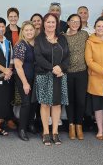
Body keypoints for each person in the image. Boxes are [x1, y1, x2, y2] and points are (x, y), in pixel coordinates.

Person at [34, 13, 69, 146]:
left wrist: (60, 68)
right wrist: (52, 68)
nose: (50, 24)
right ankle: (45, 132)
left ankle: (55, 132)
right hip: (44, 75)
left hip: (60, 75)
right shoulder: (39, 39)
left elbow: (67, 56)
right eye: (48, 22)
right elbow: (39, 57)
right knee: (45, 104)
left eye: (53, 22)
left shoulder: (62, 38)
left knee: (57, 104)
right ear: (44, 24)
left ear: (57, 24)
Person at [64, 14, 89, 140]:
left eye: (77, 21)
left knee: (80, 100)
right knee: (70, 101)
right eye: (72, 21)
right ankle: (71, 125)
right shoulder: (62, 37)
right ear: (68, 22)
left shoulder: (84, 35)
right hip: (67, 73)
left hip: (82, 72)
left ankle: (79, 125)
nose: (75, 23)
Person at [14, 21, 37, 141]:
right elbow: (18, 66)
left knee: (33, 103)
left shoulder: (36, 43)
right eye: (26, 30)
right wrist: (25, 83)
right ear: (22, 32)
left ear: (35, 31)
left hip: (35, 77)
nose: (29, 32)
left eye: (31, 30)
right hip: (23, 78)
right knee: (26, 103)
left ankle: (30, 124)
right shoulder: (21, 45)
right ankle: (22, 129)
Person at [4, 7, 21, 130]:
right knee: (8, 94)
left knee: (18, 93)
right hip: (8, 67)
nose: (13, 18)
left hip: (21, 67)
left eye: (15, 16)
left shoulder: (22, 31)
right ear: (8, 17)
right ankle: (8, 118)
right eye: (11, 16)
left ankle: (18, 117)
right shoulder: (4, 31)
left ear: (18, 17)